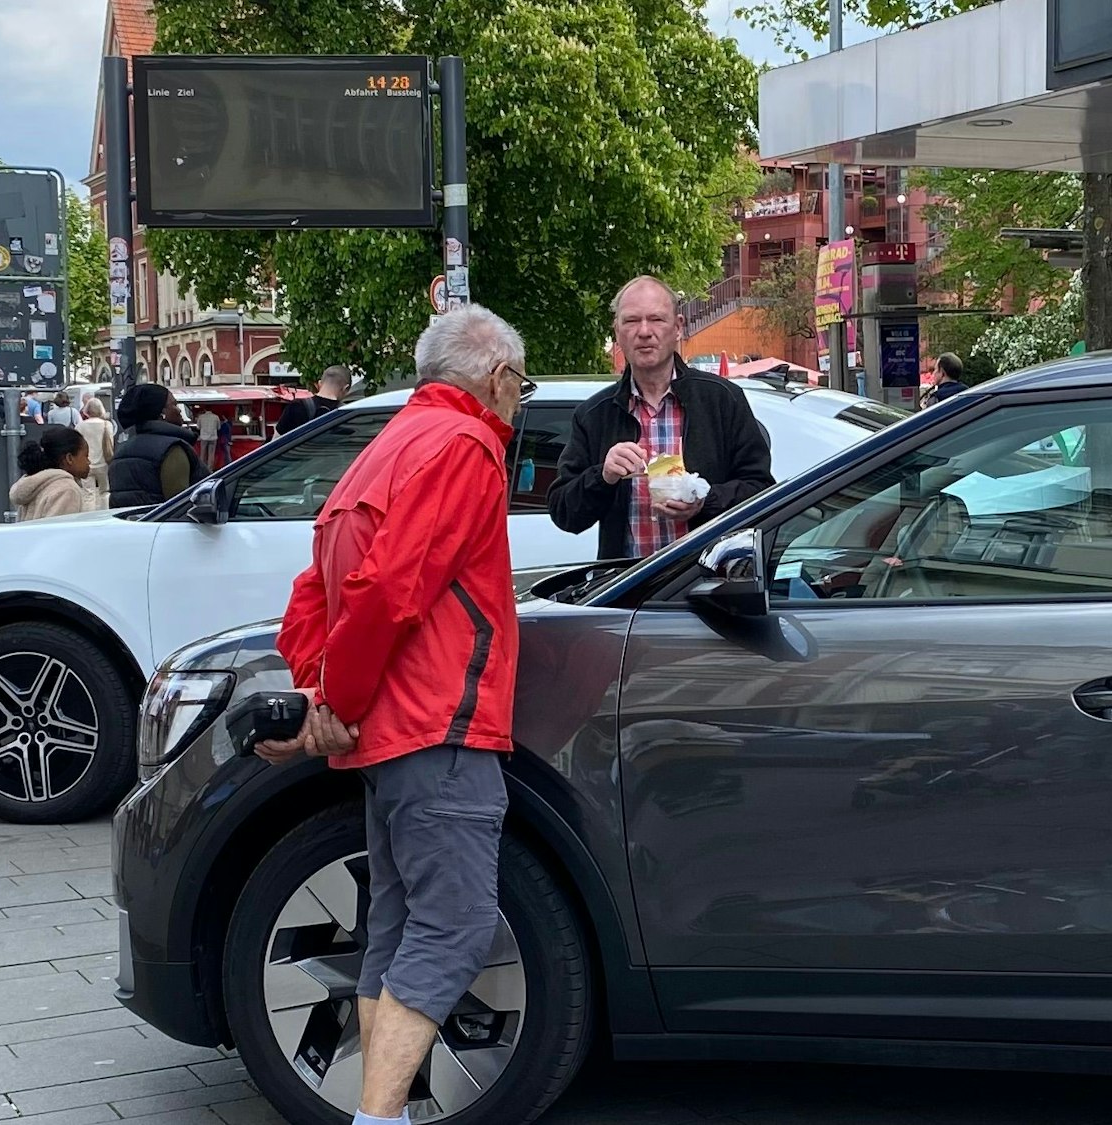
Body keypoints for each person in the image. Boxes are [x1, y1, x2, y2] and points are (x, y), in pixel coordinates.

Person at [262, 305, 531, 1125]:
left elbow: (313, 593)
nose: (518, 400)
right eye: (521, 384)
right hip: (440, 727)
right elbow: (390, 589)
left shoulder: (380, 449)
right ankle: (379, 1121)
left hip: (387, 740)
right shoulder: (466, 444)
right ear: (498, 377)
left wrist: (324, 698)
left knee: (396, 929)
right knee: (453, 927)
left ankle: (386, 1116)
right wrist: (335, 702)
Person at [548, 276, 774, 560]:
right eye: (631, 321)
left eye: (656, 319)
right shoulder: (595, 415)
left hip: (704, 579)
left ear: (678, 327)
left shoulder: (722, 400)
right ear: (617, 331)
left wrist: (705, 502)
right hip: (629, 580)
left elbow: (761, 491)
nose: (644, 332)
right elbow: (564, 514)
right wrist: (603, 476)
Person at [109, 383, 208, 508]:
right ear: (161, 412)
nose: (179, 410)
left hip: (128, 520)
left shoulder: (121, 451)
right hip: (165, 520)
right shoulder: (172, 449)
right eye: (174, 405)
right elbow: (180, 505)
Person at [11, 424, 89, 521]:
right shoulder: (67, 489)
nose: (89, 462)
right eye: (86, 456)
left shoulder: (35, 485)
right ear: (69, 458)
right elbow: (60, 529)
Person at [275, 364, 352, 439]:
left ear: (319, 383)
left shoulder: (295, 407)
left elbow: (276, 441)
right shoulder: (348, 414)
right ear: (345, 388)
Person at [75, 398, 115, 510]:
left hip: (86, 464)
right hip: (104, 463)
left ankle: (89, 516)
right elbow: (111, 444)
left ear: (87, 410)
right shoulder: (107, 425)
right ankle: (105, 514)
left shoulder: (80, 426)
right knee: (105, 492)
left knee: (88, 494)